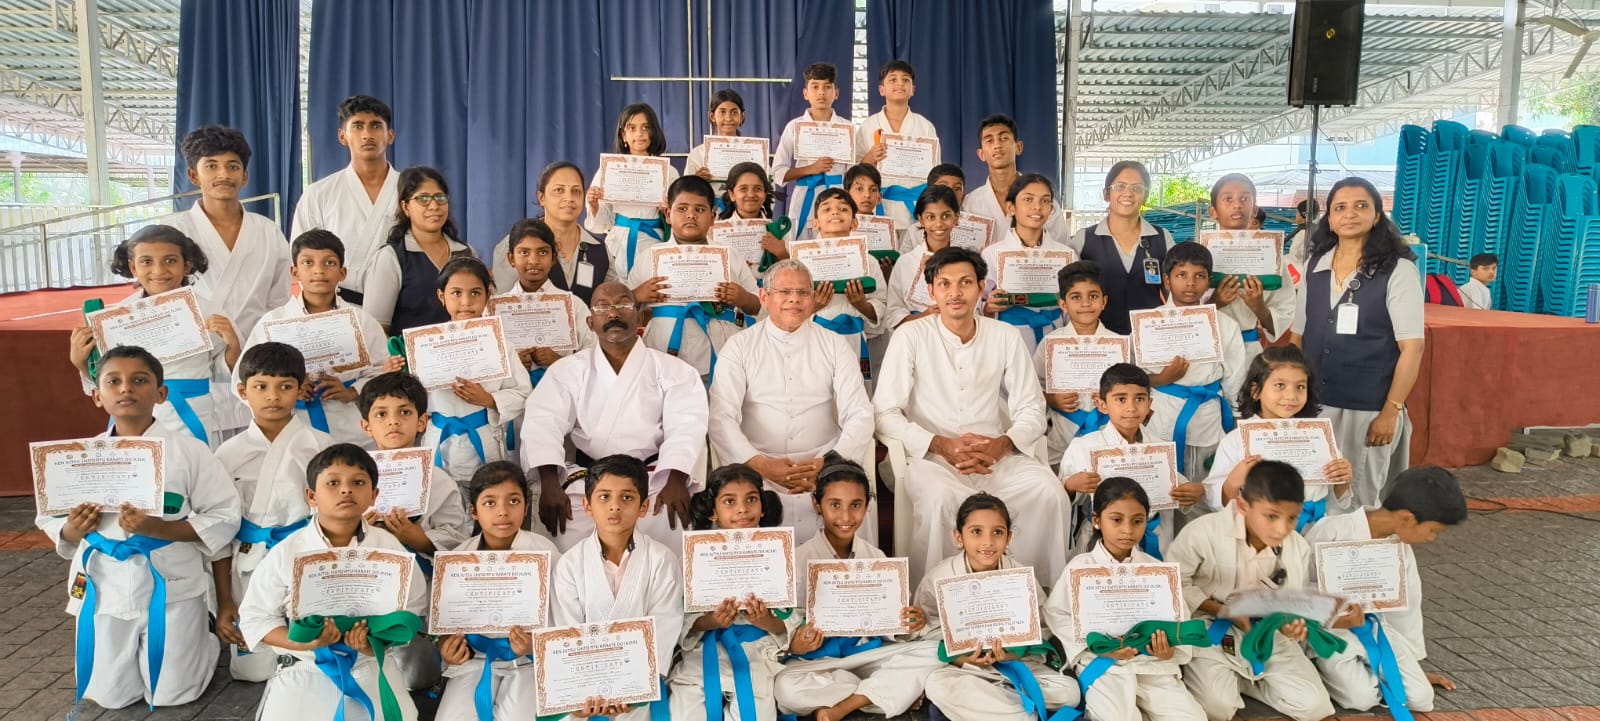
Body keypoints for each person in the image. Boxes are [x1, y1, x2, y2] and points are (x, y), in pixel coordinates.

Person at [37, 346, 241, 710]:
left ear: (160, 394)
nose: (126, 389)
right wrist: (71, 529)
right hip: (104, 585)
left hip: (171, 584)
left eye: (140, 380)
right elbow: (49, 517)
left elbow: (224, 514)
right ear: (98, 396)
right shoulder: (78, 456)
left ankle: (202, 641)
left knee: (173, 694)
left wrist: (163, 530)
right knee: (109, 696)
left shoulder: (189, 451)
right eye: (114, 381)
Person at [874, 246, 1072, 586]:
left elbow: (1032, 408)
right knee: (939, 500)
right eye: (945, 284)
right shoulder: (911, 335)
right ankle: (937, 601)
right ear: (932, 290)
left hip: (996, 456)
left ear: (981, 287)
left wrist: (1002, 445)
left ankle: (1035, 596)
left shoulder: (1005, 336)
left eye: (965, 282)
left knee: (1048, 491)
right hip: (933, 459)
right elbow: (884, 412)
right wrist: (939, 444)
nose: (955, 293)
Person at [238, 443, 429, 721]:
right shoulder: (287, 552)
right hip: (306, 665)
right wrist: (304, 644)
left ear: (374, 495)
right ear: (311, 496)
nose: (346, 490)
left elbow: (410, 611)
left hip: (369, 661)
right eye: (333, 483)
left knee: (403, 716)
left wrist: (372, 644)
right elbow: (256, 619)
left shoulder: (390, 549)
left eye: (358, 482)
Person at [521, 280, 706, 552]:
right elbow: (542, 423)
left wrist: (677, 478)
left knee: (670, 525)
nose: (613, 313)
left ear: (641, 315)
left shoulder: (675, 371)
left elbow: (687, 426)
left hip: (653, 480)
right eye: (603, 307)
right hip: (590, 480)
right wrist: (549, 483)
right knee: (566, 528)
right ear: (590, 322)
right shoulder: (567, 370)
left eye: (623, 304)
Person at [709, 259, 876, 543]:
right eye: (784, 292)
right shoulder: (739, 346)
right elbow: (720, 417)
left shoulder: (834, 344)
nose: (794, 300)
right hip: (756, 466)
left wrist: (829, 462)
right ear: (764, 297)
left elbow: (860, 413)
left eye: (803, 293)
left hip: (825, 463)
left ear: (813, 299)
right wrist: (760, 464)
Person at [773, 455, 942, 721]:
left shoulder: (876, 558)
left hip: (868, 655)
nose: (845, 516)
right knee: (785, 689)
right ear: (817, 504)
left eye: (855, 505)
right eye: (835, 505)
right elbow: (782, 628)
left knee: (934, 650)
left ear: (867, 506)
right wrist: (795, 643)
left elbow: (893, 628)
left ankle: (843, 705)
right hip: (818, 663)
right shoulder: (797, 560)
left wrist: (910, 623)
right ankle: (880, 694)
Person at [1290, 177, 1425, 505]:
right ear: (1330, 219)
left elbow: (1413, 348)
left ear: (1378, 215)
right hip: (1315, 404)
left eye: (1361, 206)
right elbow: (1298, 335)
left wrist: (1390, 412)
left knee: (1357, 499)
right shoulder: (1314, 267)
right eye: (1340, 208)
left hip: (1367, 408)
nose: (1350, 214)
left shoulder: (1398, 270)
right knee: (1310, 492)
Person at [1168, 460, 1336, 721]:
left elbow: (1289, 601)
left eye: (1292, 518)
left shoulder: (1297, 547)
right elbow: (1176, 584)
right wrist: (1223, 610)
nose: (1282, 528)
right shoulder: (1202, 532)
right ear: (1243, 505)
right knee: (1217, 708)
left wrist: (1289, 624)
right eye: (1271, 516)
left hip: (1263, 631)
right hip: (1210, 626)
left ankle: (1245, 681)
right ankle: (1236, 679)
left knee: (1315, 706)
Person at [212, 342, 331, 682]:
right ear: (242, 391)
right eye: (261, 387)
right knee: (253, 670)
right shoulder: (227, 454)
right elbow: (220, 531)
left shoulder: (319, 444)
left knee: (308, 659)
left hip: (306, 557)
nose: (273, 396)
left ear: (300, 388)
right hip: (248, 562)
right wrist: (223, 603)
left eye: (285, 387)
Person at [1044, 478, 1207, 721]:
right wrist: (1097, 647)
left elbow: (1179, 621)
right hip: (1104, 665)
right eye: (1117, 520)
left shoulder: (1157, 570)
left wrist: (1168, 650)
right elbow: (1056, 613)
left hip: (1153, 665)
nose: (1128, 530)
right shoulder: (1081, 568)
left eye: (1137, 521)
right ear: (1097, 520)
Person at [1305, 467, 1466, 714]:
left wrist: (1414, 662)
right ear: (1407, 518)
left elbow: (1408, 608)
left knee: (1422, 698)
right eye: (1433, 530)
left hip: (1377, 627)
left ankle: (1367, 669)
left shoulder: (1400, 548)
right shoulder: (1332, 530)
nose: (1431, 538)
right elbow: (1298, 585)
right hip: (1332, 630)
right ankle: (1317, 665)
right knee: (1360, 698)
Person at [67, 225, 242, 447]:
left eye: (170, 261)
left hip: (190, 411)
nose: (159, 271)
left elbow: (223, 372)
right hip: (131, 411)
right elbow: (106, 379)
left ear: (186, 265)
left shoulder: (208, 311)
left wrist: (232, 345)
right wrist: (81, 363)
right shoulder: (116, 318)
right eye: (146, 261)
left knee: (190, 471)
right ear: (132, 266)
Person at [918, 493, 1081, 721]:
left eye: (997, 532)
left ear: (1008, 538)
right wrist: (961, 658)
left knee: (1069, 692)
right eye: (976, 532)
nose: (987, 542)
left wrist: (1013, 652)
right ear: (958, 537)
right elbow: (928, 631)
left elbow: (1043, 628)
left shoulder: (1020, 577)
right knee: (938, 685)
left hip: (1014, 662)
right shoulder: (939, 578)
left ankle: (990, 708)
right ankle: (1024, 715)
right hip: (969, 670)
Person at [552, 454, 683, 721]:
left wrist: (632, 690)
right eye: (604, 497)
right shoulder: (569, 565)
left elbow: (664, 628)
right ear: (587, 506)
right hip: (585, 691)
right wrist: (585, 692)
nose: (615, 507)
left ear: (643, 507)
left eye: (627, 498)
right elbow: (568, 633)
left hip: (639, 687)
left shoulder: (662, 560)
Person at [237, 230, 391, 447]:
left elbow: (382, 372)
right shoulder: (272, 323)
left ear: (342, 272)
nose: (318, 270)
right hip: (294, 430)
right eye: (308, 262)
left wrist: (353, 391)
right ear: (294, 272)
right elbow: (242, 381)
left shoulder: (361, 321)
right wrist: (287, 391)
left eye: (329, 263)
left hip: (354, 430)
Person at [433, 462, 561, 721]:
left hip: (527, 662)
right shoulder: (457, 560)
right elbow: (445, 628)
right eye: (490, 503)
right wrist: (448, 649)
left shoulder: (546, 553)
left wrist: (534, 646)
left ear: (526, 507)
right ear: (474, 511)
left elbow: (564, 616)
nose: (502, 512)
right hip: (474, 661)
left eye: (513, 501)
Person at [669, 463, 794, 721]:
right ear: (713, 511)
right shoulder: (696, 555)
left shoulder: (777, 552)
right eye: (729, 501)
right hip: (703, 653)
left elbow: (791, 619)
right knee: (684, 713)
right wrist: (709, 621)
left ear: (762, 507)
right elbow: (676, 618)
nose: (742, 509)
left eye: (751, 500)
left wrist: (766, 620)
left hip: (757, 652)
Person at [628, 175, 762, 381]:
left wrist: (742, 298)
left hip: (720, 350)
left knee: (718, 409)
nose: (690, 215)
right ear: (667, 214)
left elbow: (758, 307)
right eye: (682, 209)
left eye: (699, 210)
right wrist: (636, 296)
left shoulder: (729, 255)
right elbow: (624, 310)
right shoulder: (648, 257)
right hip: (662, 350)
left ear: (713, 217)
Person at [1203, 346, 1354, 528]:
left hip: (1315, 528)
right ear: (1256, 391)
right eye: (1279, 386)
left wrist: (1342, 482)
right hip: (1259, 532)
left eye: (1300, 387)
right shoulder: (1235, 441)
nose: (1291, 396)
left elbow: (1335, 500)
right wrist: (1232, 483)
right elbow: (1216, 502)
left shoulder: (1318, 437)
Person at [1060, 364, 1200, 557]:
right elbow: (1060, 497)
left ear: (1150, 403)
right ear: (1101, 404)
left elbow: (1174, 487)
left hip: (1154, 536)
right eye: (1121, 399)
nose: (1131, 408)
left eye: (1140, 399)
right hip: (1100, 540)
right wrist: (1071, 485)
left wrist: (1189, 492)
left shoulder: (1159, 447)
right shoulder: (1084, 446)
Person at [164, 124, 290, 338]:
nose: (223, 174)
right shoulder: (173, 231)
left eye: (233, 167)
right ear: (194, 176)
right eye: (211, 166)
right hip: (196, 347)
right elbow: (159, 295)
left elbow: (279, 301)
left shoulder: (268, 231)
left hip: (256, 348)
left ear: (244, 176)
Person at [1144, 242, 1248, 481]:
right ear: (1167, 281)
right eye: (1181, 275)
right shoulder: (1148, 322)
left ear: (1209, 281)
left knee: (1207, 487)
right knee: (1165, 489)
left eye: (1199, 276)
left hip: (1207, 417)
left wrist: (1236, 419)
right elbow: (1133, 377)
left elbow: (1235, 378)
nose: (1190, 283)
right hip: (1160, 415)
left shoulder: (1225, 325)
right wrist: (1162, 379)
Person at [290, 95, 401, 304]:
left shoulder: (409, 190)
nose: (367, 134)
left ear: (390, 136)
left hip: (404, 305)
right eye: (358, 126)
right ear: (342, 136)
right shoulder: (318, 194)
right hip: (341, 305)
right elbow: (303, 258)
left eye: (376, 126)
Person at [363, 166, 475, 335]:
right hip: (409, 359)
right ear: (405, 206)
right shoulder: (391, 257)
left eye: (440, 197)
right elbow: (375, 331)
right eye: (423, 199)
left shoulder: (465, 253)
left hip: (462, 357)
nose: (434, 206)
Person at [1033, 261, 1123, 464]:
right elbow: (1032, 386)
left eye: (1093, 296)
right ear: (1063, 304)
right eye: (1076, 297)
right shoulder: (1051, 343)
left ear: (1104, 302)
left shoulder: (1118, 343)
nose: (1085, 304)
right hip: (1061, 437)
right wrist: (1051, 399)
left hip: (1106, 435)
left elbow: (1131, 387)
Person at [491, 162, 617, 304]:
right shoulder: (515, 245)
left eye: (576, 191)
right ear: (541, 198)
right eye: (559, 190)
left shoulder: (600, 249)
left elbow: (612, 301)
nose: (569, 198)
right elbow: (503, 306)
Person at [496, 218, 598, 389]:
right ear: (511, 258)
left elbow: (593, 353)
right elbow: (486, 363)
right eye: (524, 252)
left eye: (542, 252)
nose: (533, 260)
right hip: (513, 401)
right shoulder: (495, 309)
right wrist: (512, 364)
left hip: (563, 394)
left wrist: (559, 361)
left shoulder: (574, 305)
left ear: (553, 258)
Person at [1076, 161, 1173, 334]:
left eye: (1137, 188)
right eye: (1120, 187)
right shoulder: (1083, 239)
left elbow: (1174, 293)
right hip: (1101, 340)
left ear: (1145, 195)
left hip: (1152, 339)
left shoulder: (1162, 238)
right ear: (1106, 194)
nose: (1128, 193)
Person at [982, 173, 1076, 353]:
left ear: (1051, 209)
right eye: (1028, 199)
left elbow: (1073, 306)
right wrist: (988, 307)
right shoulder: (992, 255)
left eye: (1045, 201)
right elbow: (978, 303)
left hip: (1055, 335)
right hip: (1008, 338)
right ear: (1011, 207)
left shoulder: (1066, 255)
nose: (1037, 207)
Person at [1207, 174, 1296, 362]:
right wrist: (1215, 303)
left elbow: (1284, 313)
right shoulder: (1197, 255)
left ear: (1254, 209)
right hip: (1208, 350)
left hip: (1248, 351)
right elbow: (1181, 311)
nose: (1237, 205)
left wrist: (1259, 306)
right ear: (1213, 211)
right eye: (1228, 199)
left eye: (1244, 199)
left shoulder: (1273, 258)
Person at [802, 188, 888, 379]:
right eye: (827, 209)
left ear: (855, 222)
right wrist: (814, 306)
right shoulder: (802, 260)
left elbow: (881, 302)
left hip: (854, 337)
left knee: (855, 395)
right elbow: (791, 301)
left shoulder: (868, 261)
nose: (835, 212)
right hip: (814, 337)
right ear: (815, 223)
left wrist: (862, 305)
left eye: (843, 209)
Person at [587, 103, 680, 275]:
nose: (639, 134)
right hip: (618, 244)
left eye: (646, 127)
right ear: (624, 135)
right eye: (632, 128)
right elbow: (603, 222)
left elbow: (680, 217)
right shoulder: (610, 169)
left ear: (654, 132)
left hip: (655, 241)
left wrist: (669, 211)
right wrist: (594, 204)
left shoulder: (669, 172)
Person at [961, 115, 1074, 249]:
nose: (997, 145)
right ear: (981, 154)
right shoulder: (969, 204)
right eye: (989, 141)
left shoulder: (1044, 202)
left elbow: (1061, 248)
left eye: (1004, 138)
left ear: (1018, 147)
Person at [854, 60, 940, 229]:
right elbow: (854, 174)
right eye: (893, 80)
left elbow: (935, 174)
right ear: (881, 89)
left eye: (905, 80)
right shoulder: (868, 125)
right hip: (878, 204)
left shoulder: (925, 126)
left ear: (913, 90)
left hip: (916, 206)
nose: (900, 83)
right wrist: (871, 156)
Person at [773, 62, 846, 236]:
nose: (821, 92)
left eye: (827, 87)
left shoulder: (847, 128)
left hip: (838, 203)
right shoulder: (794, 127)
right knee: (800, 254)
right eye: (815, 87)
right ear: (806, 93)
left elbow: (853, 175)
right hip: (804, 198)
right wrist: (811, 169)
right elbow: (777, 172)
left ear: (836, 93)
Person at [884, 185, 958, 328]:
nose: (939, 224)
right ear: (921, 220)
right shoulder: (905, 262)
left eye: (946, 216)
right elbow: (893, 313)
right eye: (931, 217)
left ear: (956, 217)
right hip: (915, 338)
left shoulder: (965, 262)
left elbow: (976, 307)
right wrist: (924, 316)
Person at [716, 161, 790, 268]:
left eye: (758, 189)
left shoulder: (780, 231)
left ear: (764, 194)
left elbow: (794, 272)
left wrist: (782, 254)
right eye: (743, 189)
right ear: (732, 195)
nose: (751, 194)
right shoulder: (718, 234)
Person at [685, 89, 756, 195]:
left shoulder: (755, 152)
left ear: (742, 116)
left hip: (746, 209)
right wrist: (696, 180)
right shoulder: (697, 155)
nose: (728, 118)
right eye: (722, 112)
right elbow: (685, 192)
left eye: (734, 112)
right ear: (712, 116)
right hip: (709, 210)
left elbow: (768, 186)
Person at [1286, 198, 1320, 267]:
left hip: (1302, 270)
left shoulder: (1302, 233)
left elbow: (1293, 255)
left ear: (1303, 214)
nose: (1296, 215)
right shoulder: (1317, 230)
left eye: (1297, 212)